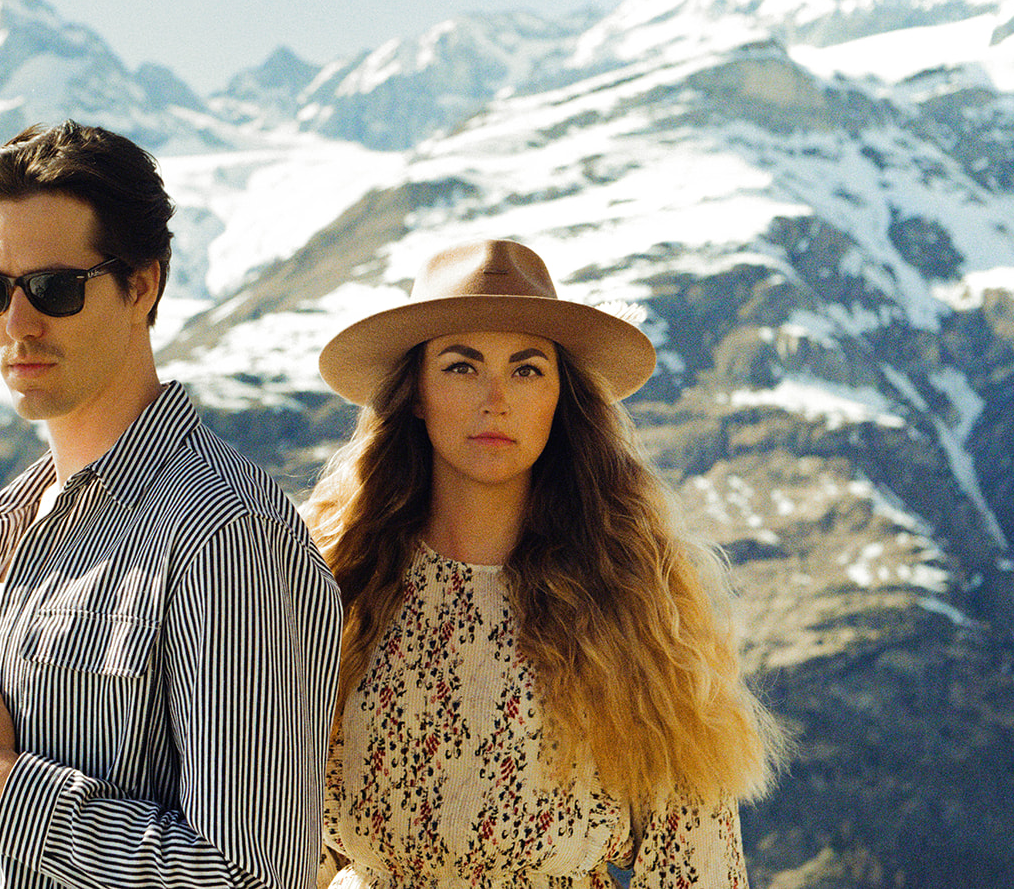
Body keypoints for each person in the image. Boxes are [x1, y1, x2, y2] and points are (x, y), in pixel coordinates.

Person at [0, 121, 342, 889]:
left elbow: (249, 875)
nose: (16, 324)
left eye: (53, 288)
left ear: (142, 285)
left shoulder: (222, 532)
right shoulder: (27, 513)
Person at [304, 239, 785, 888]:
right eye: (461, 367)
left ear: (561, 396)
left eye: (527, 370)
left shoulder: (633, 601)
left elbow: (696, 866)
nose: (496, 398)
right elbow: (273, 837)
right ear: (415, 392)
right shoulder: (332, 583)